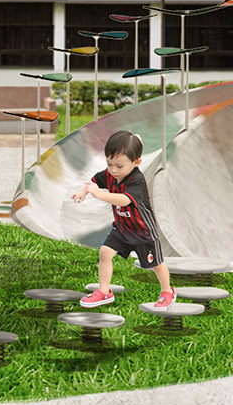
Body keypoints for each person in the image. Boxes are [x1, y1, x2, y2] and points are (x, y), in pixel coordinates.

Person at [72, 130, 177, 311]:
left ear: (136, 162)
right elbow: (94, 181)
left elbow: (124, 200)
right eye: (109, 164)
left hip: (143, 232)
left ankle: (168, 291)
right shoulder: (110, 175)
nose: (113, 170)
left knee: (156, 264)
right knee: (105, 252)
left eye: (119, 166)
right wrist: (83, 192)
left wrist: (100, 195)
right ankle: (104, 291)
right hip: (121, 229)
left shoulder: (137, 181)